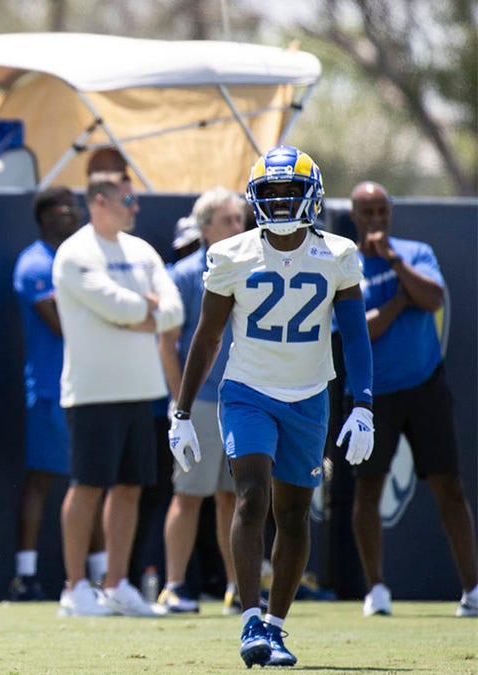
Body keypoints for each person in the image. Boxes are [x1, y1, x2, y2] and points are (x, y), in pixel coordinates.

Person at [168, 146, 376, 667]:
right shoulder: (231, 254)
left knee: (294, 513)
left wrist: (364, 404)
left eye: (291, 192)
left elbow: (354, 337)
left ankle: (277, 626)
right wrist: (182, 411)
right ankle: (249, 620)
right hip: (248, 391)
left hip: (309, 395)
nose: (281, 203)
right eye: (271, 194)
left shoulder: (339, 253)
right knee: (252, 496)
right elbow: (208, 336)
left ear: (313, 196)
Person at [53, 171, 183, 617]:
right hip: (91, 393)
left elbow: (175, 308)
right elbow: (118, 306)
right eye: (127, 199)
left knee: (130, 487)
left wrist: (140, 313)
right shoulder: (74, 254)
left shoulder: (142, 250)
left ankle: (117, 584)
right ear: (99, 202)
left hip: (141, 390)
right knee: (88, 486)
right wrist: (144, 309)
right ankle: (74, 590)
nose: (136, 207)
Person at [346, 181, 478, 618]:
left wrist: (394, 262)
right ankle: (377, 590)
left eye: (382, 211)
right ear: (353, 216)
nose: (377, 221)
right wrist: (403, 301)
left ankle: (472, 590)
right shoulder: (344, 265)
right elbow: (364, 329)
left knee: (450, 487)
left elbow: (434, 297)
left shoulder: (414, 251)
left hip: (425, 385)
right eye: (368, 213)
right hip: (372, 394)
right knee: (368, 488)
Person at [8, 186, 107, 601]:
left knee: (93, 478)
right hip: (52, 389)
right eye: (70, 211)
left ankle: (103, 578)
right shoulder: (34, 263)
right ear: (50, 214)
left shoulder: (80, 259)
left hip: (88, 388)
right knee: (43, 480)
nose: (77, 218)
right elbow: (61, 324)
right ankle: (26, 577)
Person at [156, 188, 246, 614]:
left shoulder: (252, 269)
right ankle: (173, 586)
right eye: (228, 220)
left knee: (236, 497)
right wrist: (182, 406)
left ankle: (238, 588)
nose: (237, 227)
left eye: (239, 219)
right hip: (203, 403)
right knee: (189, 494)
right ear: (205, 228)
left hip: (243, 399)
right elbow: (168, 343)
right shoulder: (186, 274)